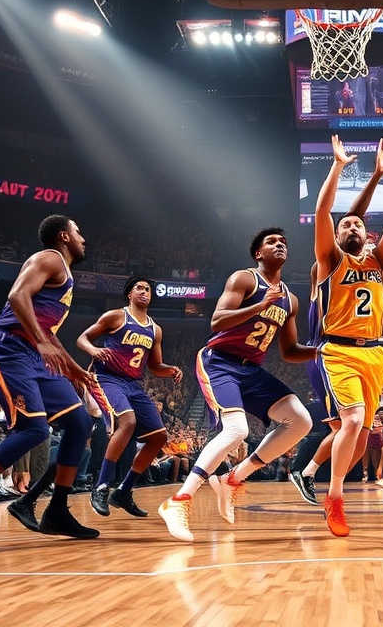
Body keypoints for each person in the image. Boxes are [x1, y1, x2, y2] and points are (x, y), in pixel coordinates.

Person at [0, 214, 102, 541]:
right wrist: (41, 342)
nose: (83, 238)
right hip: (7, 347)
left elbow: (47, 332)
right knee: (34, 429)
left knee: (80, 423)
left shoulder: (64, 274)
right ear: (64, 236)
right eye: (78, 231)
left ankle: (51, 509)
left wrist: (73, 368)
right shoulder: (50, 258)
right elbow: (17, 296)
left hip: (33, 354)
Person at [159, 228, 316, 542]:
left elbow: (289, 352)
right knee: (237, 430)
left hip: (251, 369)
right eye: (271, 241)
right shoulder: (244, 279)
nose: (280, 244)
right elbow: (217, 321)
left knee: (301, 420)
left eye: (283, 241)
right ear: (258, 253)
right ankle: (178, 500)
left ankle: (233, 478)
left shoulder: (290, 300)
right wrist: (260, 305)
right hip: (219, 361)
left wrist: (322, 350)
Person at [313, 135, 383, 537]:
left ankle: (332, 482)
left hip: (374, 354)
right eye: (345, 224)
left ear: (367, 233)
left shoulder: (381, 260)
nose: (351, 226)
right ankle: (335, 497)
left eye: (357, 223)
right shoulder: (330, 259)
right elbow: (323, 210)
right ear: (337, 234)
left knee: (363, 437)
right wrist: (338, 166)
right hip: (338, 351)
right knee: (355, 419)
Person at [79, 276, 183, 520]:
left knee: (159, 437)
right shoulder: (116, 316)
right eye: (139, 288)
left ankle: (124, 491)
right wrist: (93, 349)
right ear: (129, 293)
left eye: (148, 289)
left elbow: (154, 365)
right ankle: (101, 486)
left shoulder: (155, 329)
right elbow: (82, 338)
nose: (144, 291)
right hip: (108, 378)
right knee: (128, 422)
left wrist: (169, 370)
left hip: (134, 384)